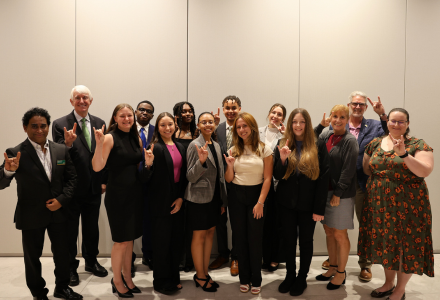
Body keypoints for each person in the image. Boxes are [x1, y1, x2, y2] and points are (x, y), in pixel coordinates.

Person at [0, 108, 82, 300]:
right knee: (32, 258)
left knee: (63, 254)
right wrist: (8, 171)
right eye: (34, 126)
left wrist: (61, 200)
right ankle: (38, 293)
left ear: (48, 126)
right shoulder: (15, 152)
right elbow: (1, 183)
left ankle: (62, 287)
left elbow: (72, 180)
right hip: (30, 214)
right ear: (25, 128)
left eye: (43, 126)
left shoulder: (61, 149)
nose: (39, 130)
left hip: (59, 212)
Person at [358, 108, 434, 300]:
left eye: (401, 122)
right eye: (393, 121)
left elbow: (425, 171)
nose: (396, 125)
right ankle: (388, 283)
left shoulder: (417, 144)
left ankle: (400, 289)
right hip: (379, 203)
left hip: (409, 205)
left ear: (407, 124)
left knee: (406, 245)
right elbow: (367, 169)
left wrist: (404, 155)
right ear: (387, 121)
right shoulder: (374, 143)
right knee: (386, 243)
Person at [318, 91, 388, 282]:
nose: (357, 107)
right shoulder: (335, 128)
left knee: (364, 224)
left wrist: (382, 115)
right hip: (336, 184)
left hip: (361, 183)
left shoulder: (373, 126)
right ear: (349, 105)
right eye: (354, 103)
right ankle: (335, 262)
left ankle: (365, 264)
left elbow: (391, 133)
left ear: (366, 107)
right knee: (334, 227)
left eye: (361, 104)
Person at [52, 85, 108, 285]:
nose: (82, 101)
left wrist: (104, 180)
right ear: (71, 101)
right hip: (71, 188)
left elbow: (104, 154)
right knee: (70, 231)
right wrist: (66, 144)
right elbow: (57, 155)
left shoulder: (100, 122)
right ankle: (70, 267)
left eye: (85, 97)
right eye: (77, 98)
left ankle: (91, 262)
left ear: (91, 101)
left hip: (94, 186)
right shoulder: (60, 124)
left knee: (92, 229)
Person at [274, 108, 329, 296]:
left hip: (308, 205)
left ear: (307, 124)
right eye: (295, 122)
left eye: (302, 122)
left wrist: (319, 208)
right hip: (286, 204)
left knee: (306, 242)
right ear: (290, 124)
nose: (298, 125)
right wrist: (282, 159)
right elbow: (277, 175)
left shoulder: (318, 144)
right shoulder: (282, 143)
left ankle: (302, 277)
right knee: (288, 241)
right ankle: (290, 275)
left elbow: (323, 178)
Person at [92, 104, 143, 298]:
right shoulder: (109, 137)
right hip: (118, 196)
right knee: (121, 241)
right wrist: (98, 145)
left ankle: (128, 278)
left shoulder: (135, 137)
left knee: (129, 240)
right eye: (122, 116)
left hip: (134, 194)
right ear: (115, 117)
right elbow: (97, 167)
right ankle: (117, 281)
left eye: (130, 115)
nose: (127, 119)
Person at [224, 112, 273, 295]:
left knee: (255, 239)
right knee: (240, 239)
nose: (242, 130)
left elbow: (267, 178)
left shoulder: (264, 149)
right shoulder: (232, 150)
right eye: (238, 127)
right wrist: (229, 166)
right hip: (236, 196)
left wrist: (260, 202)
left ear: (252, 127)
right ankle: (244, 278)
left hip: (257, 197)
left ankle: (256, 279)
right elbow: (229, 179)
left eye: (245, 126)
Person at [143, 112, 188, 295]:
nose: (167, 128)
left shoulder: (179, 146)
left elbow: (183, 175)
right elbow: (145, 179)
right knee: (161, 244)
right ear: (157, 127)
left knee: (175, 242)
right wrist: (148, 165)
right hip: (160, 204)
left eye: (170, 124)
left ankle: (174, 277)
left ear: (175, 125)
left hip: (177, 200)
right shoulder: (154, 147)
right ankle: (161, 281)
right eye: (162, 125)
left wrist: (180, 198)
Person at [314, 105, 358, 290]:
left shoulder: (350, 141)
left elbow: (348, 170)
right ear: (330, 118)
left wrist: (338, 193)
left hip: (341, 195)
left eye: (342, 117)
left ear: (347, 119)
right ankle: (332, 267)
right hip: (324, 192)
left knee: (340, 234)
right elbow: (311, 143)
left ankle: (341, 272)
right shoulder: (326, 136)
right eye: (334, 116)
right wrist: (319, 126)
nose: (338, 120)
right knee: (329, 232)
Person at [185, 112, 228, 293]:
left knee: (210, 233)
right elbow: (190, 176)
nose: (208, 125)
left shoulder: (216, 145)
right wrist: (201, 162)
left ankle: (204, 272)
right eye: (204, 122)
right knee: (199, 236)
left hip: (215, 198)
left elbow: (220, 176)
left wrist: (223, 201)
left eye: (211, 122)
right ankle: (200, 275)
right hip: (198, 199)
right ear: (199, 125)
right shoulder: (194, 145)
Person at [209, 95, 241, 276]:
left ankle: (236, 257)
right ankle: (223, 254)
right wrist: (212, 128)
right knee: (220, 220)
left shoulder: (245, 127)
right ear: (223, 108)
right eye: (227, 108)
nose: (230, 111)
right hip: (219, 183)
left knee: (237, 220)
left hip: (239, 181)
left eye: (234, 107)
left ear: (239, 109)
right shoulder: (217, 129)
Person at [258, 103, 286, 272]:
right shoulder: (258, 132)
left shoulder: (285, 135)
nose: (275, 116)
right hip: (258, 181)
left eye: (280, 114)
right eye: (273, 112)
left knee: (276, 222)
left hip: (277, 183)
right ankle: (263, 256)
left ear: (283, 118)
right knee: (262, 222)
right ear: (268, 114)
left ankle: (275, 257)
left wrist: (285, 134)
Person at [173, 101, 197, 272]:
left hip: (195, 184)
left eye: (190, 111)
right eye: (184, 111)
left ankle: (190, 260)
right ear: (177, 114)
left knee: (192, 225)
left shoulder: (197, 132)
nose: (188, 114)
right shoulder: (171, 133)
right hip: (177, 184)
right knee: (177, 225)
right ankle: (178, 260)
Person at [133, 100, 155, 274]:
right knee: (129, 222)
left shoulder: (157, 131)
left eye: (148, 111)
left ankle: (148, 254)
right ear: (135, 111)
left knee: (149, 221)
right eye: (141, 110)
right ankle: (129, 257)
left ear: (152, 115)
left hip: (151, 182)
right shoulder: (126, 129)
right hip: (130, 183)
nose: (144, 113)